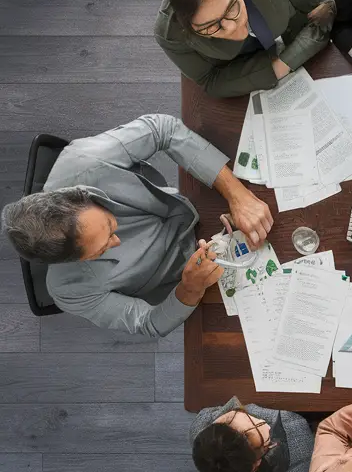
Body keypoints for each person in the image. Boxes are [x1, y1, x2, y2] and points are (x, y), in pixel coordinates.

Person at [0, 114, 273, 336]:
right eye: (100, 251)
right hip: (185, 280)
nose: (116, 241)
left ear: (81, 194)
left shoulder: (84, 160)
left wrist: (238, 195)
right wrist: (190, 288)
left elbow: (162, 129)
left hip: (195, 205)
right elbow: (148, 323)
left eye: (108, 224)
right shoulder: (68, 291)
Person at [155, 0, 335, 97]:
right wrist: (275, 70)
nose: (232, 27)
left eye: (232, 6)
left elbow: (328, 4)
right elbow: (209, 81)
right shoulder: (171, 35)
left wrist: (285, 62)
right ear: (189, 28)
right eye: (210, 26)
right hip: (237, 68)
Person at [189, 396, 314, 472]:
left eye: (228, 420)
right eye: (250, 434)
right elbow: (291, 419)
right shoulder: (300, 454)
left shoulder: (200, 425)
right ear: (256, 464)